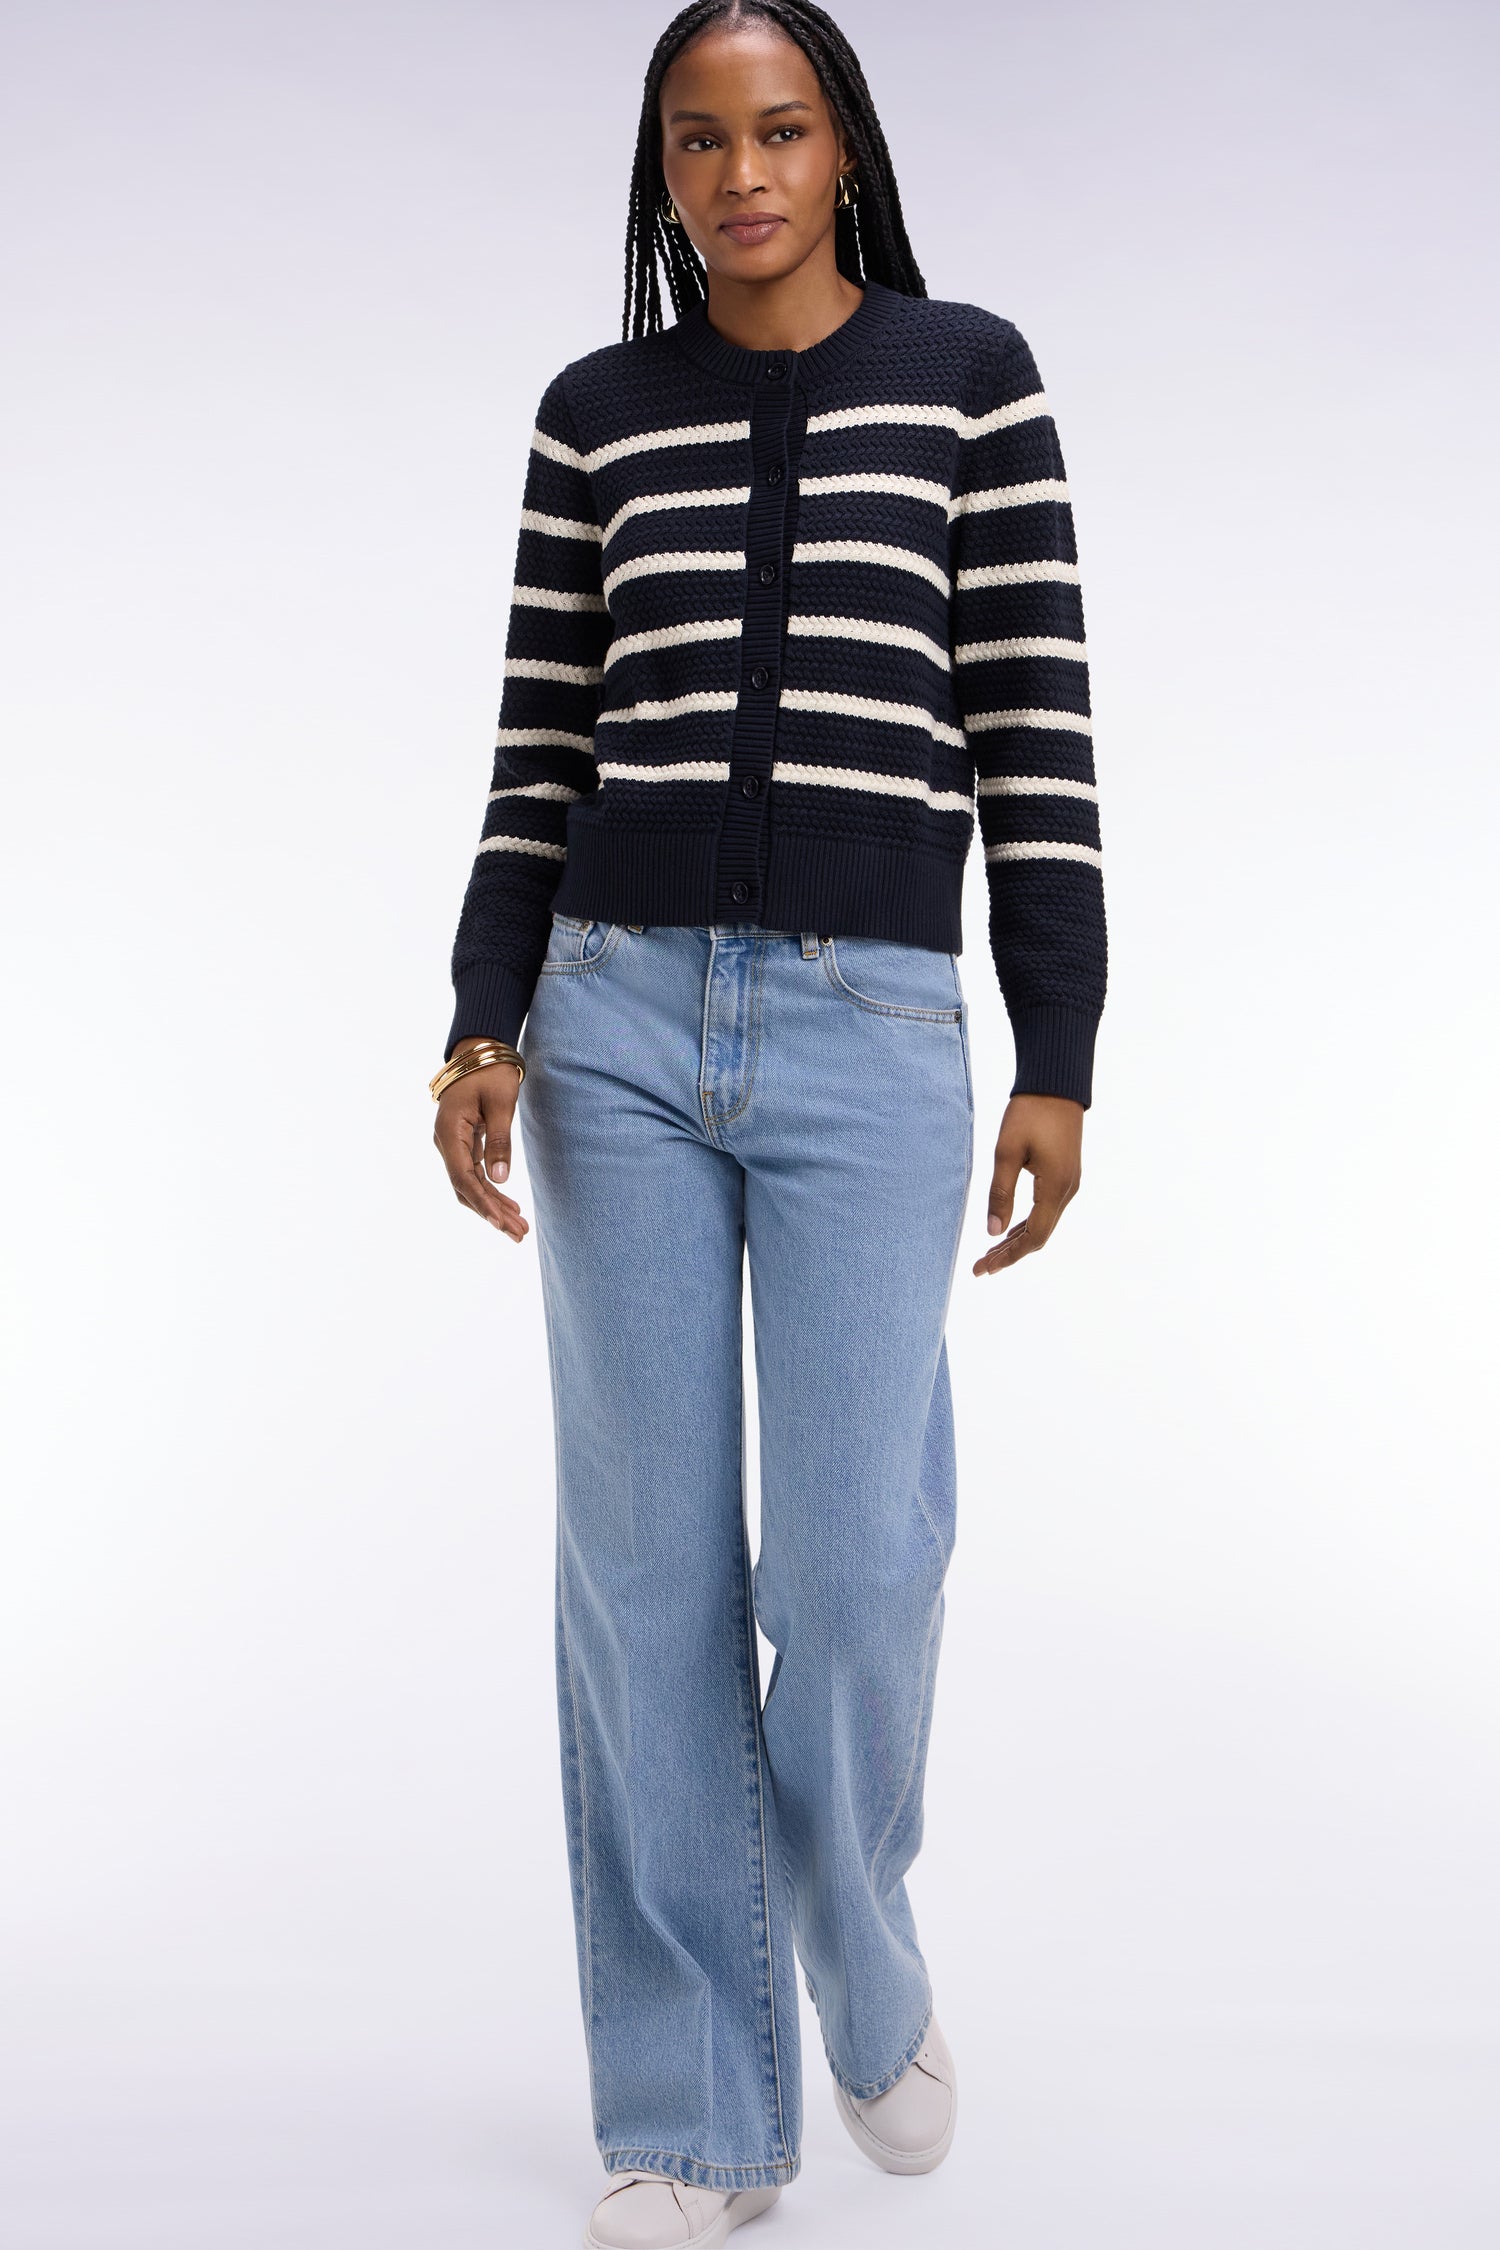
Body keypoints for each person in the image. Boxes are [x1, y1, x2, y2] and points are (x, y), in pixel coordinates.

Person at [430, 3, 1106, 2242]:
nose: (741, 173)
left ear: (844, 149)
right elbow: (540, 744)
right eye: (700, 140)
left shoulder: (969, 382)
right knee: (641, 1579)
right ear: (664, 172)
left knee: (854, 1559)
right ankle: (694, 2122)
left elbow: (1034, 730)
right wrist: (481, 1020)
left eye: (781, 129)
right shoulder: (594, 416)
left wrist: (1060, 1046)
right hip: (612, 1016)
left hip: (869, 1025)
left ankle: (857, 1946)